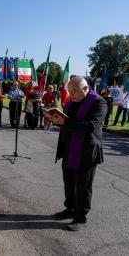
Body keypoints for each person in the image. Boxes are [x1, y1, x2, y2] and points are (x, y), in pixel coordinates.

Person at [50, 76, 107, 231]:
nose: (71, 94)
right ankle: (69, 209)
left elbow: (90, 126)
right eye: (70, 91)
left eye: (74, 91)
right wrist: (56, 118)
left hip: (86, 152)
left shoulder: (99, 103)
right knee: (69, 183)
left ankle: (80, 217)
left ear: (86, 89)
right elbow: (67, 120)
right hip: (69, 149)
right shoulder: (71, 102)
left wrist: (65, 123)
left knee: (83, 186)